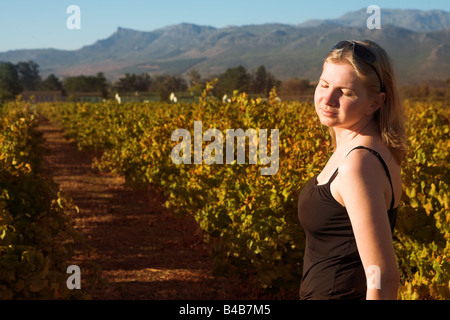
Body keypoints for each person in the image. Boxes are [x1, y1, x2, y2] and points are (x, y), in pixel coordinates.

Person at [297, 40, 408, 300]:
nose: (327, 99)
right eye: (324, 85)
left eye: (344, 92)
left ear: (374, 104)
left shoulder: (358, 164)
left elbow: (383, 278)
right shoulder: (364, 149)